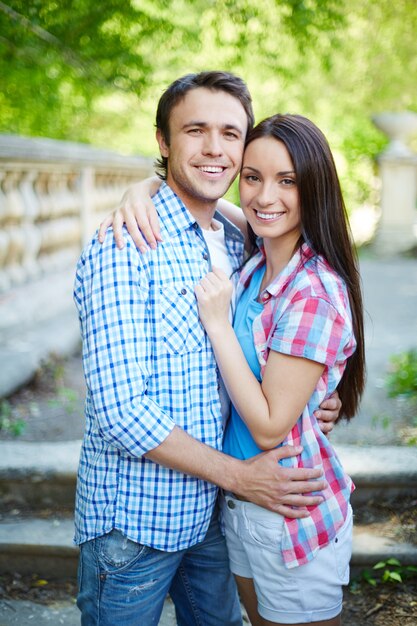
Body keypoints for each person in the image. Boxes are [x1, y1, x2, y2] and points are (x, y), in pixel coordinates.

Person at [75, 71, 341, 626]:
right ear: (163, 142)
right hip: (136, 527)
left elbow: (280, 331)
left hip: (212, 520)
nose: (214, 148)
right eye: (195, 130)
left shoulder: (234, 236)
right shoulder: (125, 246)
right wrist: (240, 477)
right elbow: (120, 411)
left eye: (229, 133)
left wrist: (314, 395)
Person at [193, 114, 366, 625]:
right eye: (252, 177)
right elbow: (199, 198)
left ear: (313, 187)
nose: (266, 196)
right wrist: (142, 189)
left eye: (287, 181)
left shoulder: (312, 292)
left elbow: (270, 427)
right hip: (243, 501)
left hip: (290, 513)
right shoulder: (257, 261)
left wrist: (218, 326)